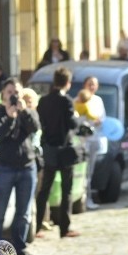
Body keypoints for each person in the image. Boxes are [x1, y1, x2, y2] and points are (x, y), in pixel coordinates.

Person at [0, 78, 39, 255]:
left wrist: (23, 112)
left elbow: (35, 128)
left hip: (27, 167)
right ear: (3, 95)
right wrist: (9, 116)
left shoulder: (27, 111)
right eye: (10, 92)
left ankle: (20, 247)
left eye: (16, 91)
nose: (14, 95)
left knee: (23, 212)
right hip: (6, 168)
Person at [35, 67, 81, 239]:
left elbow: (41, 122)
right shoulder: (67, 101)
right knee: (66, 189)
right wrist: (75, 117)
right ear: (67, 83)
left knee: (44, 190)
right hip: (64, 149)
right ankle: (64, 228)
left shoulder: (44, 101)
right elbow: (73, 124)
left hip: (48, 148)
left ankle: (38, 226)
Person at [74, 76, 106, 210]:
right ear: (84, 85)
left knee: (90, 172)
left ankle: (88, 198)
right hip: (82, 140)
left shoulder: (98, 100)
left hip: (94, 139)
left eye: (94, 84)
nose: (92, 87)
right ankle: (79, 199)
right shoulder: (78, 100)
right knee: (81, 171)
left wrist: (97, 121)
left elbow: (102, 118)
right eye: (90, 84)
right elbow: (76, 119)